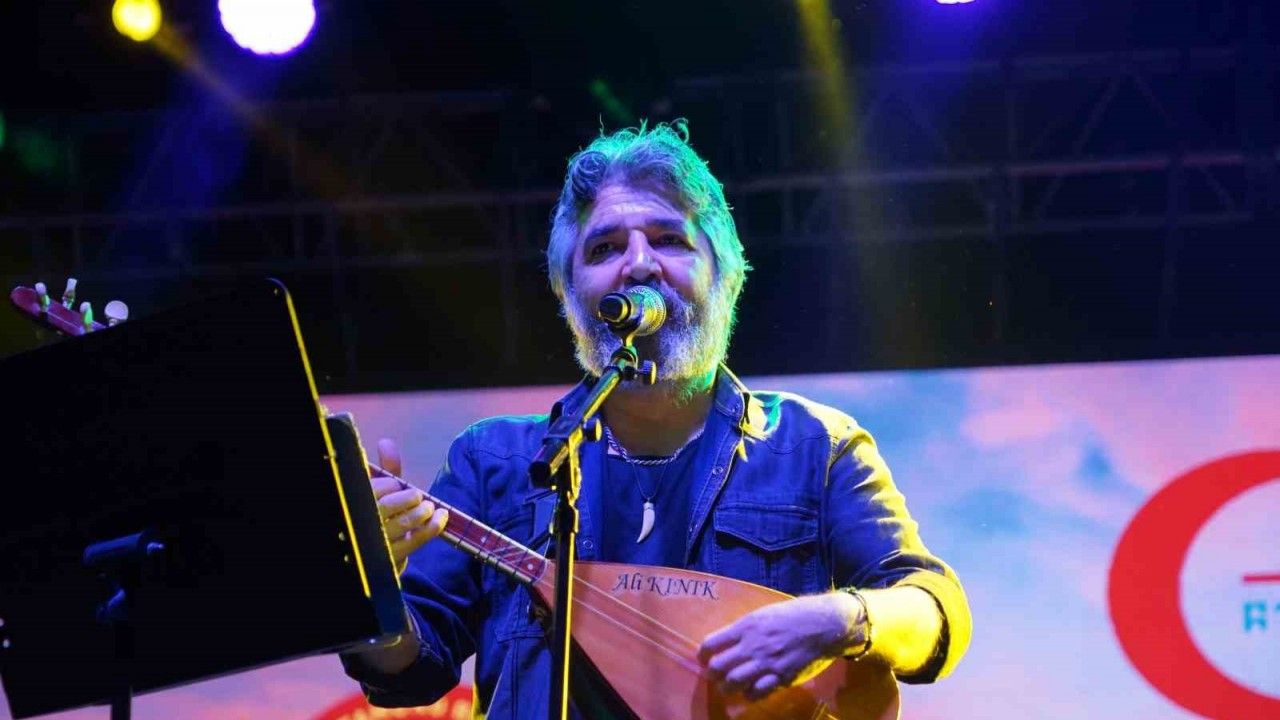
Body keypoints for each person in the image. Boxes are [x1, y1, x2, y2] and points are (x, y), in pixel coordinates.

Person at [341, 121, 971, 717]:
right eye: (605, 248)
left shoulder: (816, 447)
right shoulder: (493, 461)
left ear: (725, 277)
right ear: (570, 293)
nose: (639, 264)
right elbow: (408, 672)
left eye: (669, 240)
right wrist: (370, 576)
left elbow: (935, 613)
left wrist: (841, 620)